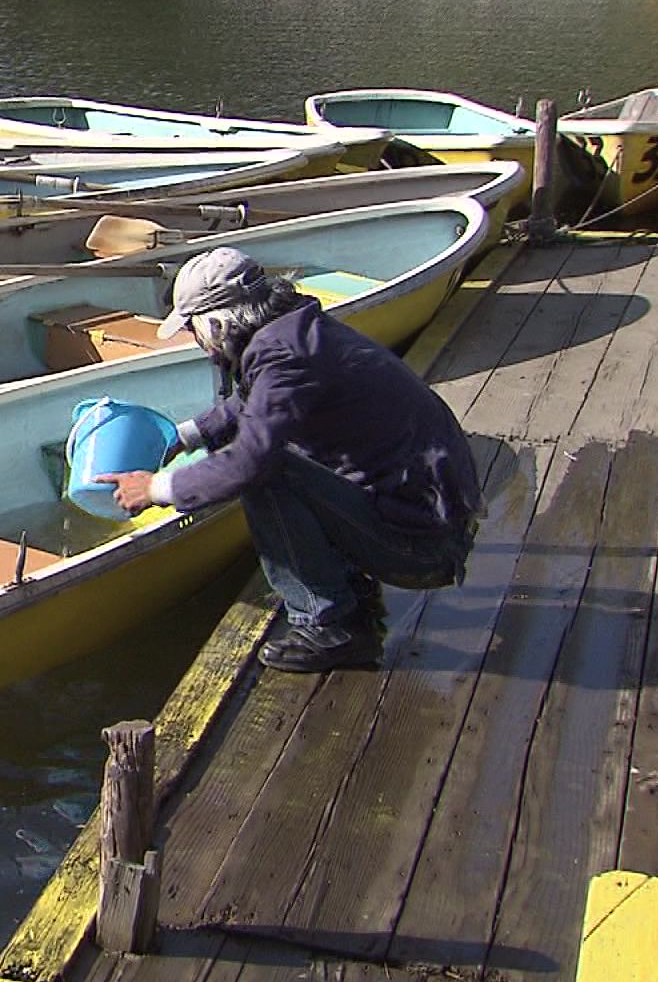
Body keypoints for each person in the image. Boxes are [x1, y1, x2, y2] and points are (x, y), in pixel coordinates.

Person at [99, 246, 481, 673]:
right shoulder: (297, 331)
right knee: (279, 453)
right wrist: (183, 436)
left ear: (219, 321)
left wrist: (156, 488)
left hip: (423, 545)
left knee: (270, 470)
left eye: (194, 329)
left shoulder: (281, 355)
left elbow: (249, 462)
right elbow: (253, 403)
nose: (198, 343)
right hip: (428, 516)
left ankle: (330, 626)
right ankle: (348, 590)